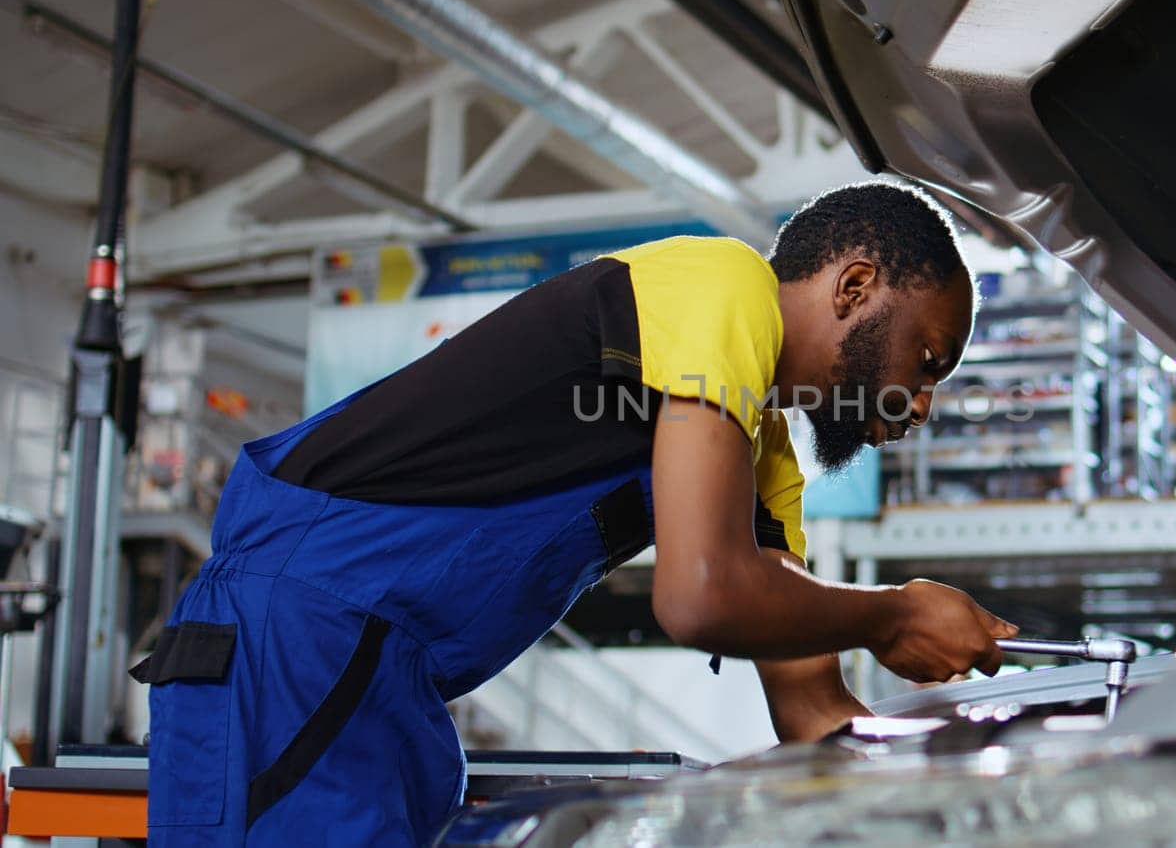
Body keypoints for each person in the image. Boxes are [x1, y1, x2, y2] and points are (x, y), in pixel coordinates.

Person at [137, 181, 1017, 846]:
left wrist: (968, 791)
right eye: (927, 357)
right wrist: (896, 611)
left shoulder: (763, 457)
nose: (922, 401)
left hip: (387, 681)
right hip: (291, 633)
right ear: (856, 285)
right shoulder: (726, 285)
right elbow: (700, 595)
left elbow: (813, 711)